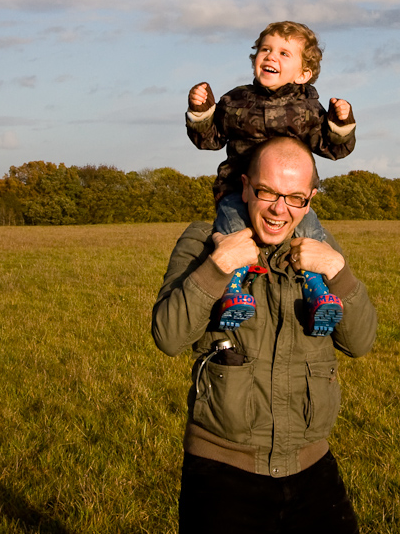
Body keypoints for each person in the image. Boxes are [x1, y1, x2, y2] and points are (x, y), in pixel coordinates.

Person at [152, 137, 377, 534]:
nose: (279, 209)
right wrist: (219, 266)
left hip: (311, 469)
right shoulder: (203, 242)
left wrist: (338, 272)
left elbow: (359, 343)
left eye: (295, 198)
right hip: (222, 472)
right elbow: (168, 336)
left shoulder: (319, 248)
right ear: (244, 186)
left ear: (310, 200)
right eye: (267, 192)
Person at [186, 20, 356, 335]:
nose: (270, 57)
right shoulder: (235, 100)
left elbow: (332, 149)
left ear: (304, 73)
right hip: (238, 189)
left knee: (310, 234)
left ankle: (317, 292)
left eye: (283, 53)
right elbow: (210, 139)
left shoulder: (309, 109)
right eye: (265, 49)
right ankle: (233, 291)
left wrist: (340, 123)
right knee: (233, 228)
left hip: (292, 198)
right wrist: (202, 112)